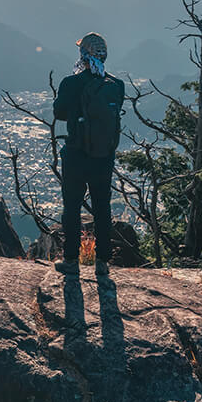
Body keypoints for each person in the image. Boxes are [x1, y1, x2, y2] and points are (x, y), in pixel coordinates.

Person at [52, 32, 125, 275]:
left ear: (82, 55)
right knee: (102, 206)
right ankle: (102, 262)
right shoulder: (115, 85)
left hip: (75, 153)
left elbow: (59, 113)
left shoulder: (70, 83)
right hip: (103, 155)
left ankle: (71, 259)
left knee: (71, 207)